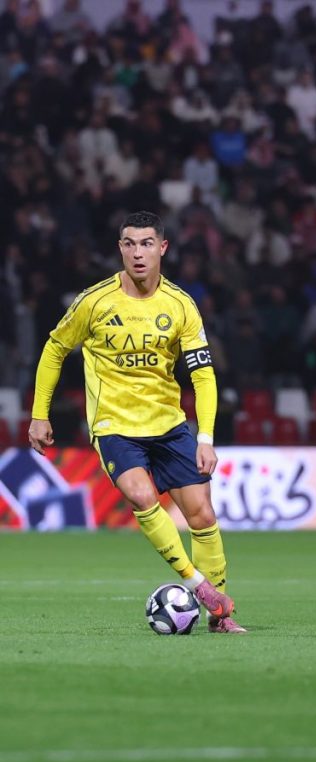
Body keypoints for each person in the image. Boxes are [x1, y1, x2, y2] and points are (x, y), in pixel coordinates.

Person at [27, 211, 246, 633]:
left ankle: (221, 620)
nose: (138, 252)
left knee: (201, 516)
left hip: (168, 424)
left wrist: (205, 436)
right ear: (120, 249)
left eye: (147, 243)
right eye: (129, 243)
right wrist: (40, 414)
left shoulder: (181, 305)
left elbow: (202, 374)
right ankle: (198, 586)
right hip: (115, 425)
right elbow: (55, 349)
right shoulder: (95, 301)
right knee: (142, 496)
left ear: (163, 248)